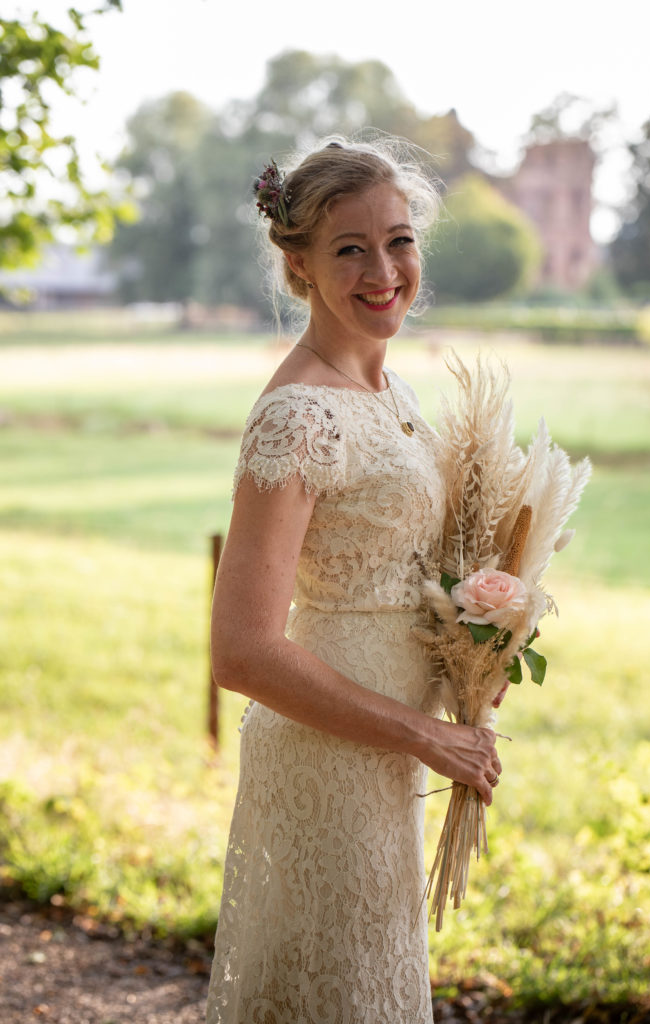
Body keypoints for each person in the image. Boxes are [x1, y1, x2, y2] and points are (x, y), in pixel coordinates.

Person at [206, 136, 504, 1024]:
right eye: (349, 248)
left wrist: (480, 650)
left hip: (395, 756)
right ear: (297, 263)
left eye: (399, 240)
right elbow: (242, 651)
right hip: (329, 755)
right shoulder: (297, 416)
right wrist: (421, 733)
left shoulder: (390, 392)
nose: (384, 270)